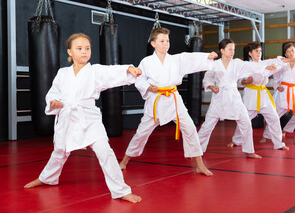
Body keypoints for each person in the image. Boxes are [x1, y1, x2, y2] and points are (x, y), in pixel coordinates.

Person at [24, 33, 142, 203]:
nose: (84, 52)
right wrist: (54, 102)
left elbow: (111, 71)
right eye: (79, 49)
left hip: (89, 118)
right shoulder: (62, 73)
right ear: (70, 52)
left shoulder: (94, 71)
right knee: (59, 152)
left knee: (105, 151)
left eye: (87, 48)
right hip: (67, 117)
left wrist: (128, 69)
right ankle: (47, 178)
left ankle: (120, 190)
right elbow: (53, 93)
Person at [119, 27, 217, 176]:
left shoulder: (175, 59)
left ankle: (199, 164)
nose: (166, 44)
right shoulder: (146, 62)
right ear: (153, 43)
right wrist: (148, 88)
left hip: (173, 100)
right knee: (141, 134)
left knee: (190, 129)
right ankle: (124, 161)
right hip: (156, 102)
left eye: (167, 41)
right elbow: (139, 78)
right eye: (162, 41)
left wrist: (206, 57)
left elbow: (189, 58)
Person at [197, 39, 278, 159]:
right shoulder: (214, 64)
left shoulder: (237, 63)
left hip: (234, 97)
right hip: (219, 98)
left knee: (245, 123)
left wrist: (266, 66)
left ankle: (249, 151)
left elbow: (250, 66)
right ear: (222, 50)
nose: (232, 52)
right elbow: (207, 79)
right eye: (230, 49)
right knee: (207, 125)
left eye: (233, 50)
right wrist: (211, 86)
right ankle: (196, 149)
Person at [229, 42, 290, 150]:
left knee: (274, 118)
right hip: (251, 95)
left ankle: (278, 143)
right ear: (250, 53)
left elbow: (277, 61)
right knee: (244, 120)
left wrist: (291, 59)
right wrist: (245, 81)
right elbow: (240, 81)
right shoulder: (246, 65)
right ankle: (236, 140)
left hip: (263, 95)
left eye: (260, 51)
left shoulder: (265, 63)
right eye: (256, 51)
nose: (259, 53)